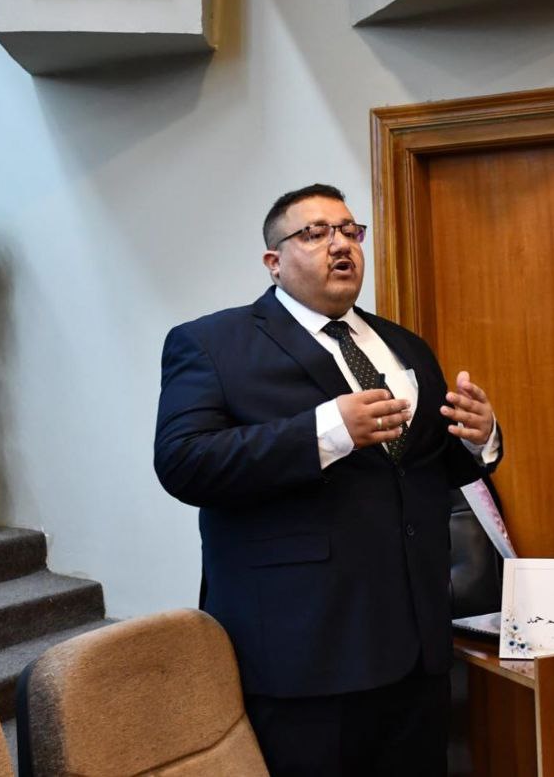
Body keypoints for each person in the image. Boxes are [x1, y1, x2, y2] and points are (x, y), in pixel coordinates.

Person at [153, 183, 501, 776]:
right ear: (274, 261)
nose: (340, 244)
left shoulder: (404, 344)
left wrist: (480, 437)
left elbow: (423, 469)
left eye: (349, 231)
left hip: (416, 646)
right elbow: (184, 462)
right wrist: (327, 431)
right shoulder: (212, 344)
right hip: (304, 650)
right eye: (314, 233)